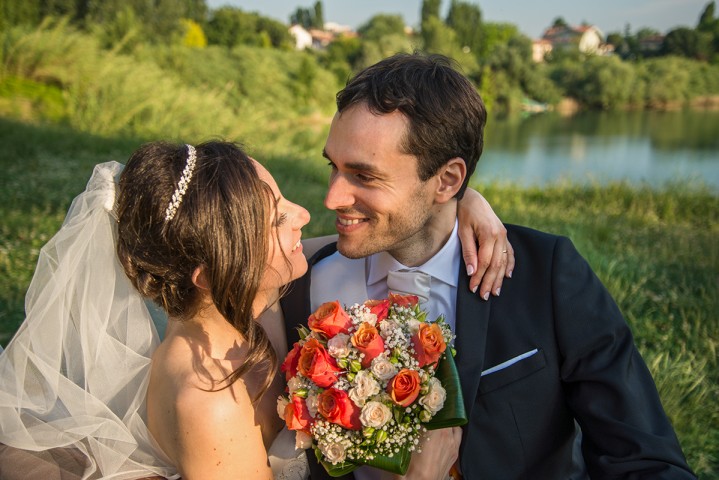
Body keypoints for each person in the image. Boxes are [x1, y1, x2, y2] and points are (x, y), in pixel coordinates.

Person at [279, 53, 697, 479]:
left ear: (447, 181)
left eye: (364, 176)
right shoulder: (304, 285)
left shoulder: (546, 275)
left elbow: (642, 456)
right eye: (333, 166)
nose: (331, 199)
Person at [0, 140, 511, 480]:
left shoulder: (238, 313)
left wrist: (459, 201)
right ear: (213, 270)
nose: (305, 215)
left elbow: (371, 231)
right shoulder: (211, 401)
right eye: (275, 220)